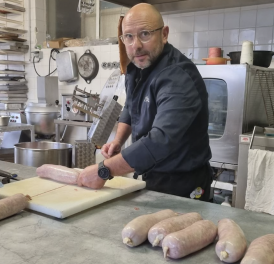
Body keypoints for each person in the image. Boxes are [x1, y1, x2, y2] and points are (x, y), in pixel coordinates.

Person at [77, 3, 213, 201]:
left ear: (164, 34)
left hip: (184, 185)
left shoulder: (177, 77)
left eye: (145, 34)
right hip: (153, 177)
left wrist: (103, 170)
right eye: (129, 37)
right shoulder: (139, 66)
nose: (136, 45)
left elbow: (160, 140)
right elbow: (132, 108)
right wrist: (118, 140)